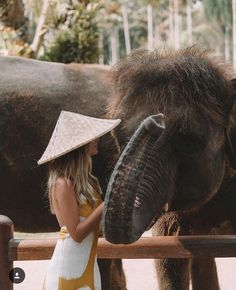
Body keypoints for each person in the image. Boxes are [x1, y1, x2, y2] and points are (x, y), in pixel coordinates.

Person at [38, 110, 121, 290]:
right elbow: (76, 233)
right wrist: (106, 204)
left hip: (89, 267)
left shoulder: (88, 183)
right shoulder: (62, 184)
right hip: (68, 268)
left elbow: (94, 227)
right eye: (92, 136)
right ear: (80, 145)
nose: (96, 139)